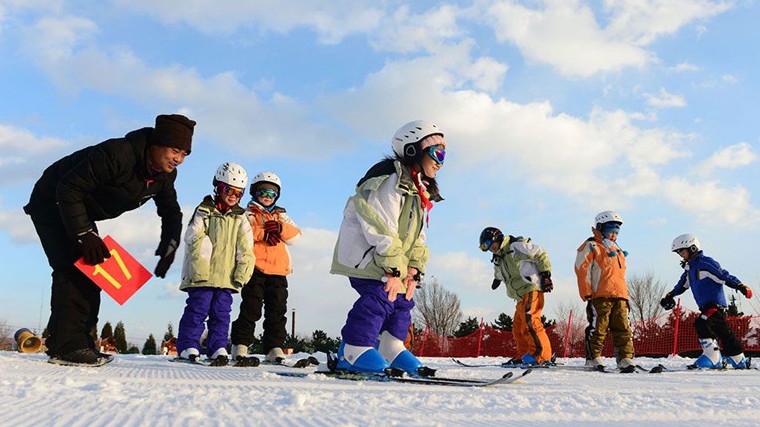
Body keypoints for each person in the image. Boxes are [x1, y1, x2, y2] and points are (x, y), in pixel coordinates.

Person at [23, 114, 196, 366]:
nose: (178, 159)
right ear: (156, 144)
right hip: (52, 200)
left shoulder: (163, 176)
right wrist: (84, 234)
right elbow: (68, 187)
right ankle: (67, 346)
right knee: (72, 268)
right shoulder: (118, 154)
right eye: (174, 150)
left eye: (184, 154)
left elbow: (171, 210)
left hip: (79, 208)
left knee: (94, 269)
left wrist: (170, 245)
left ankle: (78, 342)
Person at [330, 120, 446, 375]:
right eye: (437, 153)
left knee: (403, 300)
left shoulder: (417, 188)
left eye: (444, 154)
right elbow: (379, 225)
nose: (441, 161)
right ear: (414, 150)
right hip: (369, 255)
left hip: (391, 259)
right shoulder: (389, 178)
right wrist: (394, 270)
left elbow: (417, 236)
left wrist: (414, 269)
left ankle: (390, 347)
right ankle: (353, 349)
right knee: (380, 296)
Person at [175, 162, 255, 366]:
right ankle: (188, 345)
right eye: (228, 190)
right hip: (202, 275)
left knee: (221, 313)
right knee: (197, 310)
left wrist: (241, 274)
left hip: (226, 278)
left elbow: (246, 248)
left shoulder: (240, 218)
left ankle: (217, 346)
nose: (233, 196)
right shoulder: (204, 211)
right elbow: (194, 239)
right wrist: (200, 271)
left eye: (238, 193)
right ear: (218, 187)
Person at [230, 171, 302, 364]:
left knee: (277, 310)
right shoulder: (248, 214)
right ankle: (241, 344)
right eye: (263, 192)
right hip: (256, 269)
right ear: (254, 192)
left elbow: (296, 236)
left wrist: (280, 228)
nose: (267, 197)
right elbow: (240, 232)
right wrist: (262, 233)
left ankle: (273, 346)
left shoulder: (281, 215)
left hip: (279, 270)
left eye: (272, 194)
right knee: (251, 308)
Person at [660, 234, 753, 369]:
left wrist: (740, 286)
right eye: (679, 252)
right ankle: (738, 359)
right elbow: (682, 284)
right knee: (723, 332)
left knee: (701, 322)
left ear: (692, 248)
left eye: (682, 251)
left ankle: (712, 357)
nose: (681, 255)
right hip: (705, 307)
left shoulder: (705, 263)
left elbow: (724, 275)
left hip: (715, 305)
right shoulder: (689, 269)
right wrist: (670, 295)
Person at [479, 227, 553, 366]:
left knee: (530, 322)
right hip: (520, 296)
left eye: (489, 244)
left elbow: (540, 253)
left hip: (531, 288)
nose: (489, 248)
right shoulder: (499, 257)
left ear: (496, 237)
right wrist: (497, 279)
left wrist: (545, 274)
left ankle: (540, 355)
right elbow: (499, 270)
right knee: (518, 328)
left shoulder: (515, 247)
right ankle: (524, 354)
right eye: (485, 247)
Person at [574, 210, 636, 372]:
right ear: (600, 228)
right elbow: (582, 269)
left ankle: (625, 358)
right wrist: (585, 290)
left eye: (616, 233)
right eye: (611, 232)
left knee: (623, 327)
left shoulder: (618, 250)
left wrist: (625, 295)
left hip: (620, 295)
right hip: (600, 294)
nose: (614, 236)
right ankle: (593, 357)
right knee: (599, 326)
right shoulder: (591, 245)